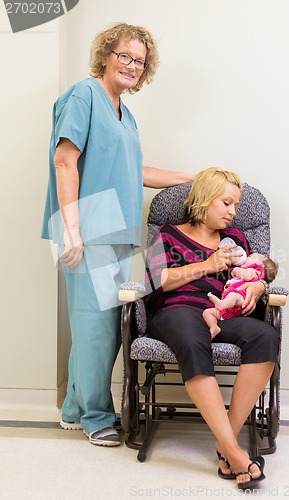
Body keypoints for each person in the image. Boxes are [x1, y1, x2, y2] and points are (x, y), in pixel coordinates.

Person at [41, 22, 192, 447]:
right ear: (106, 55)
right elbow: (65, 161)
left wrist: (192, 176)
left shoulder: (126, 113)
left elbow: (135, 170)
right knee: (96, 327)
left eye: (139, 61)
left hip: (114, 228)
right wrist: (72, 230)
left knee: (105, 323)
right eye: (124, 55)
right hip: (86, 225)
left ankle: (74, 409)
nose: (131, 65)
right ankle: (95, 415)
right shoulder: (84, 95)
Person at [145, 167, 278, 489]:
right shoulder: (166, 234)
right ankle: (234, 451)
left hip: (223, 312)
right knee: (193, 340)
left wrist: (258, 287)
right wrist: (207, 265)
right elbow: (156, 280)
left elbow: (258, 269)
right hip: (177, 309)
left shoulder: (238, 241)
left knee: (265, 336)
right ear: (205, 200)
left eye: (236, 205)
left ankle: (225, 442)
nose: (233, 213)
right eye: (226, 203)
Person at [203, 252, 278, 337]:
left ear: (259, 265)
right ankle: (214, 327)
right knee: (207, 312)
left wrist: (236, 270)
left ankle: (222, 304)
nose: (247, 257)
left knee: (233, 295)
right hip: (228, 311)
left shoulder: (254, 272)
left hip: (240, 297)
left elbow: (247, 276)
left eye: (250, 256)